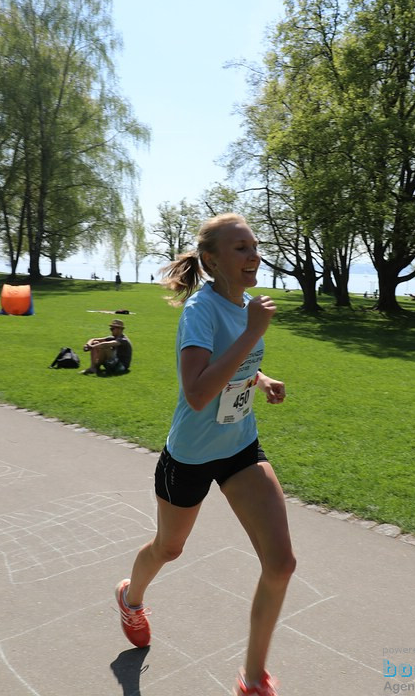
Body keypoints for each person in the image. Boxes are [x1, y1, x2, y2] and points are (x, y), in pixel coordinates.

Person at [115, 213, 292, 696]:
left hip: (239, 448)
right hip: (190, 457)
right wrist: (254, 333)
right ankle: (131, 597)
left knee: (281, 564)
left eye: (254, 246)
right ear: (212, 260)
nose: (253, 255)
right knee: (169, 548)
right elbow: (196, 392)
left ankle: (253, 680)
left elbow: (230, 363)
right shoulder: (202, 309)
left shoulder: (246, 307)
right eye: (240, 248)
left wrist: (261, 377)